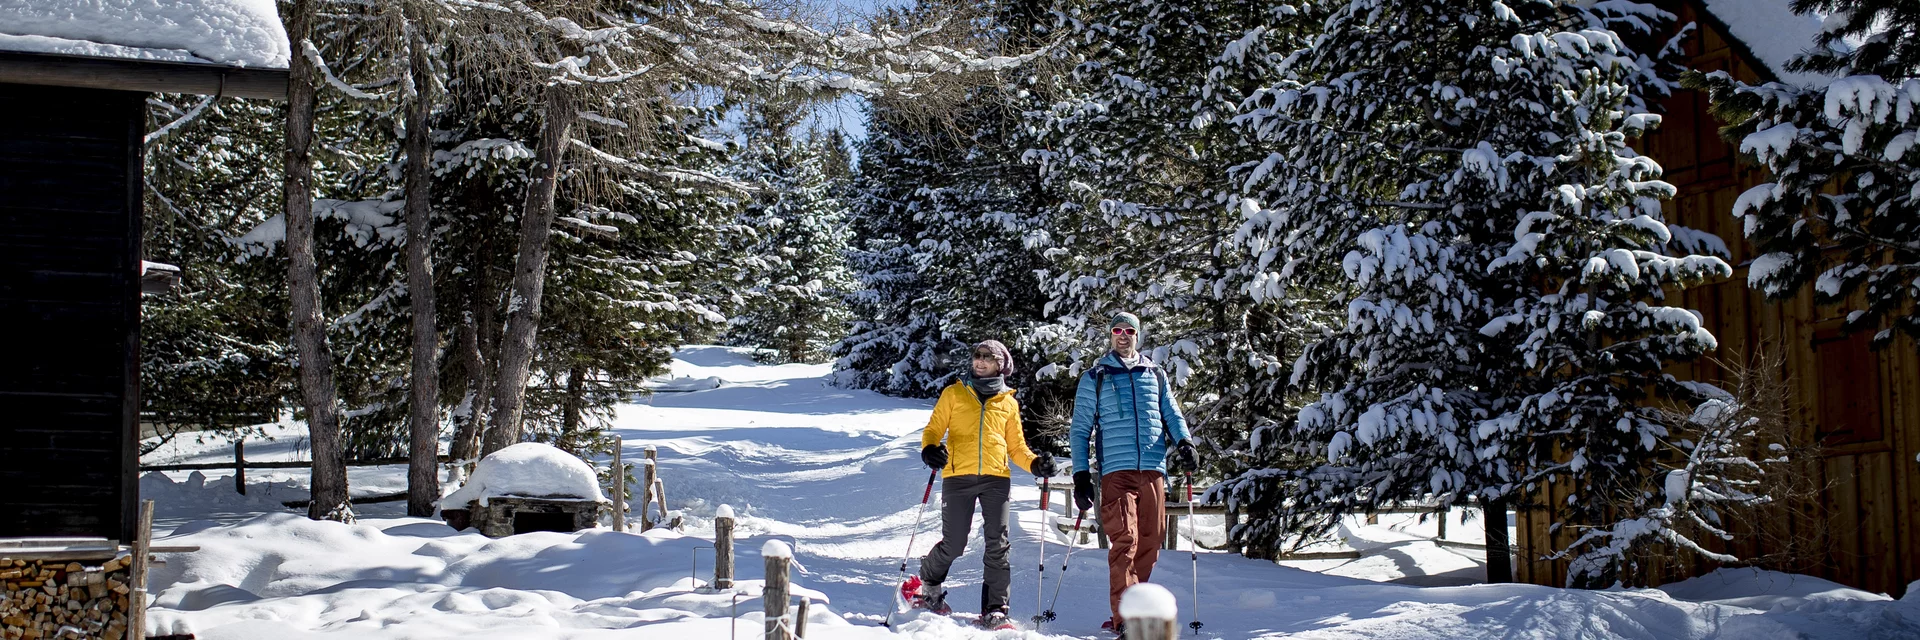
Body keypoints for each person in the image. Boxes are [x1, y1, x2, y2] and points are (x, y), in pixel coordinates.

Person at [1069, 312, 1199, 635]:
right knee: (1124, 540)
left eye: (1129, 330)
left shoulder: (1154, 374)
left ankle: (1134, 606)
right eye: (1117, 330)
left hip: (1153, 470)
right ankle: (1126, 619)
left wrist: (1185, 442)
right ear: (1111, 336)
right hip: (1115, 471)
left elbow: (1171, 412)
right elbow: (1080, 429)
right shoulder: (1095, 377)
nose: (1123, 335)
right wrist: (1081, 474)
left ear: (1137, 336)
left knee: (1150, 544)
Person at [914, 339, 1059, 630]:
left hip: (996, 479)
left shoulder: (1008, 402)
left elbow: (1017, 447)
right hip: (957, 476)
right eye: (977, 355)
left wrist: (1035, 464)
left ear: (1001, 365)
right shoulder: (954, 393)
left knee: (998, 544)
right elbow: (933, 429)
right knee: (955, 543)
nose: (979, 361)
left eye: (987, 357)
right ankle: (929, 580)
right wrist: (930, 449)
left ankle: (995, 610)